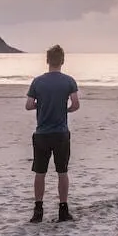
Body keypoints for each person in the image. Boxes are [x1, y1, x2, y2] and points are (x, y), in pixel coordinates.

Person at [25, 44, 80, 223]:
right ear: (62, 61)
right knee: (62, 172)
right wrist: (64, 110)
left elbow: (28, 105)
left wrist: (41, 105)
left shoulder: (38, 81)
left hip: (42, 133)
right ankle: (63, 210)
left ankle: (38, 210)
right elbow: (75, 104)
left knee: (40, 172)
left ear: (47, 60)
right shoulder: (69, 81)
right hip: (61, 133)